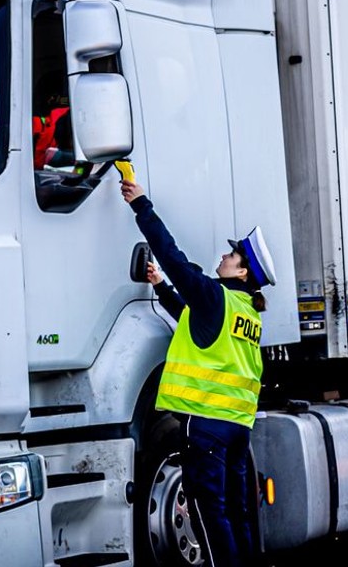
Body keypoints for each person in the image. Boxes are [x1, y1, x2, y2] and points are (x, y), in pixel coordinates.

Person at [120, 177, 275, 567]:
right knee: (236, 513)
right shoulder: (246, 312)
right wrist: (161, 289)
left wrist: (142, 205)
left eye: (232, 257)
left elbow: (172, 256)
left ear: (241, 273)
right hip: (238, 427)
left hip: (206, 424)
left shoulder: (214, 296)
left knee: (209, 515)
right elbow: (197, 327)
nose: (224, 258)